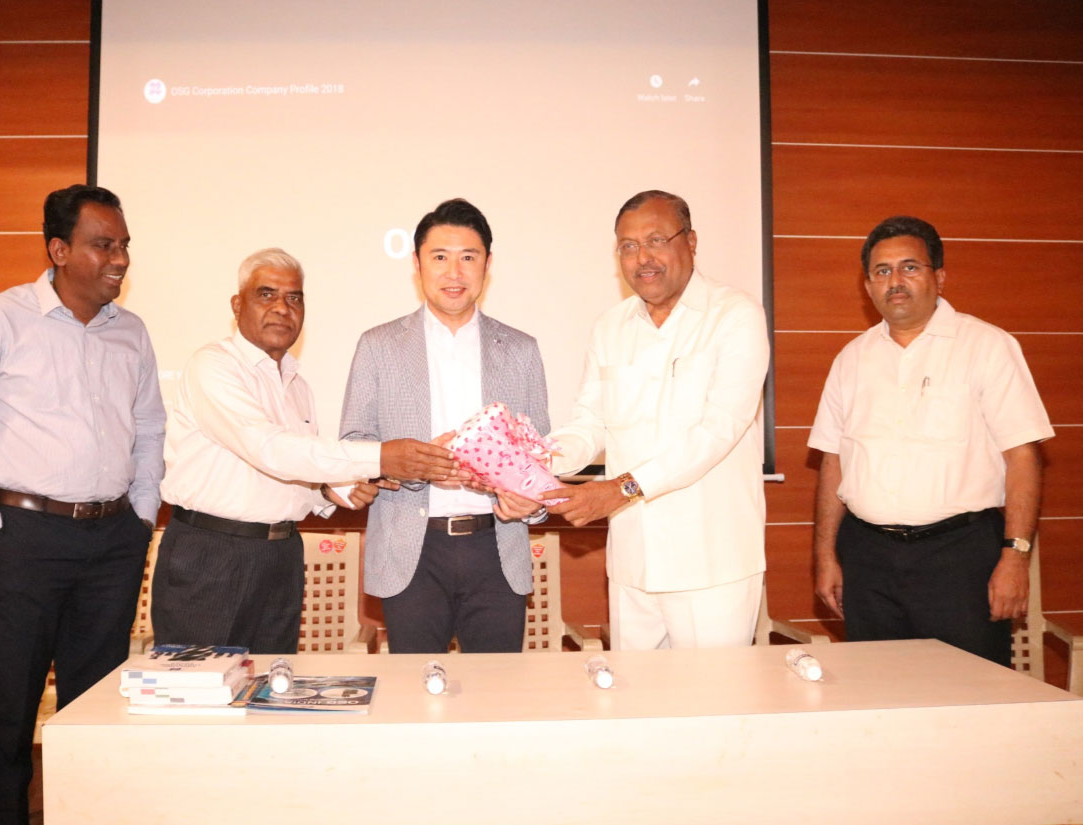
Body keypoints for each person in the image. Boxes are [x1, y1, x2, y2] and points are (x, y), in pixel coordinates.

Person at [0, 184, 166, 825]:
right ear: (58, 250)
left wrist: (141, 515)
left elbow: (150, 428)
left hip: (113, 540)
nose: (120, 259)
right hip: (24, 538)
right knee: (11, 715)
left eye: (124, 245)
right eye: (102, 244)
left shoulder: (131, 332)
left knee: (93, 717)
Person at [153, 247, 460, 653]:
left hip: (281, 555)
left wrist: (330, 492)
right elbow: (268, 449)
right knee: (200, 687)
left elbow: (293, 473)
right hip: (212, 554)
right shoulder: (212, 366)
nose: (282, 308)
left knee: (270, 684)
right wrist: (380, 456)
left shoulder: (298, 386)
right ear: (237, 304)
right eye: (266, 294)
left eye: (294, 298)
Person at [809, 215, 1053, 666]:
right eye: (882, 271)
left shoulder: (987, 346)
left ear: (939, 277)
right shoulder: (851, 360)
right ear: (868, 286)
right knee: (878, 689)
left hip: (960, 558)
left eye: (909, 267)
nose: (895, 281)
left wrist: (1015, 557)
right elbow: (833, 463)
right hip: (868, 558)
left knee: (971, 690)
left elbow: (1023, 457)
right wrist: (825, 556)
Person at [544, 189, 770, 650]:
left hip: (712, 565)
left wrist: (621, 489)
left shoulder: (735, 315)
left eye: (655, 240)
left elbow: (718, 430)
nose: (642, 257)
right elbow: (591, 422)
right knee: (635, 695)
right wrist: (536, 462)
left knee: (715, 695)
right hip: (633, 564)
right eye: (628, 246)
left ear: (691, 241)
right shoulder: (609, 327)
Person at [340, 198, 550, 653]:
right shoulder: (378, 346)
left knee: (498, 689)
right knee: (414, 689)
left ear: (487, 265)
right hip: (412, 551)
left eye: (468, 257)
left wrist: (531, 505)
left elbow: (540, 458)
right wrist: (412, 464)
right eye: (440, 257)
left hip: (497, 546)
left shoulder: (521, 350)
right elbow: (354, 444)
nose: (454, 272)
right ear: (417, 264)